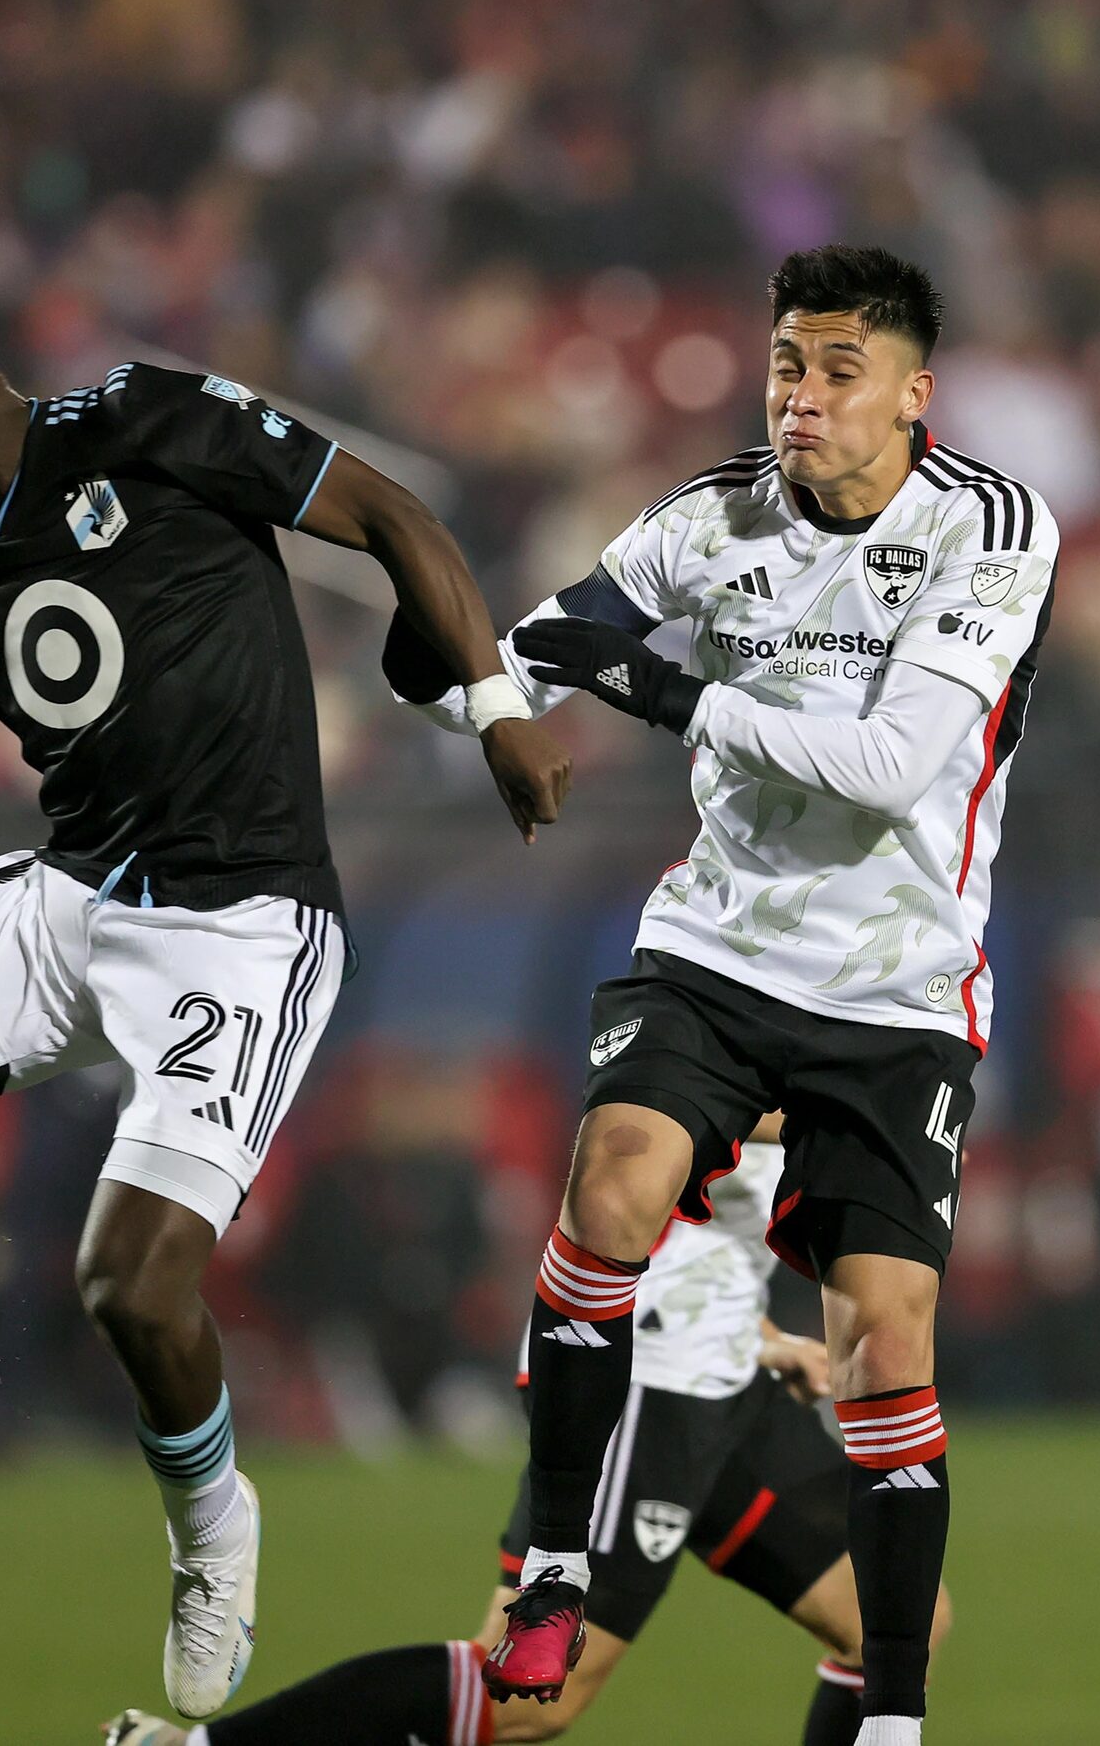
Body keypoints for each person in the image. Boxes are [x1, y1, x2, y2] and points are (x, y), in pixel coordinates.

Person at [0, 290, 570, 1720]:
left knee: (127, 1286)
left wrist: (499, 711)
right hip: (70, 900)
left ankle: (214, 1532)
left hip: (242, 922)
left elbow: (394, 516)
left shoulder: (150, 421)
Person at [385, 246, 1056, 1744]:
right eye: (785, 366)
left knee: (887, 1339)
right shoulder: (710, 515)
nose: (800, 398)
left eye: (836, 372)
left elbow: (892, 770)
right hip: (720, 950)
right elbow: (528, 660)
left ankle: (890, 1714)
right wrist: (458, 672)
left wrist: (662, 689)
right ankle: (555, 1557)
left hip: (898, 986)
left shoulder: (994, 527)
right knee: (612, 1185)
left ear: (912, 393)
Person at [107, 1138, 952, 1746]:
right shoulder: (732, 1023)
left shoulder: (825, 1022)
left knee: (896, 1624)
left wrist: (762, 1335)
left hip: (725, 1377)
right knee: (525, 1701)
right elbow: (640, 1171)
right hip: (644, 1390)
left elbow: (702, 1241)